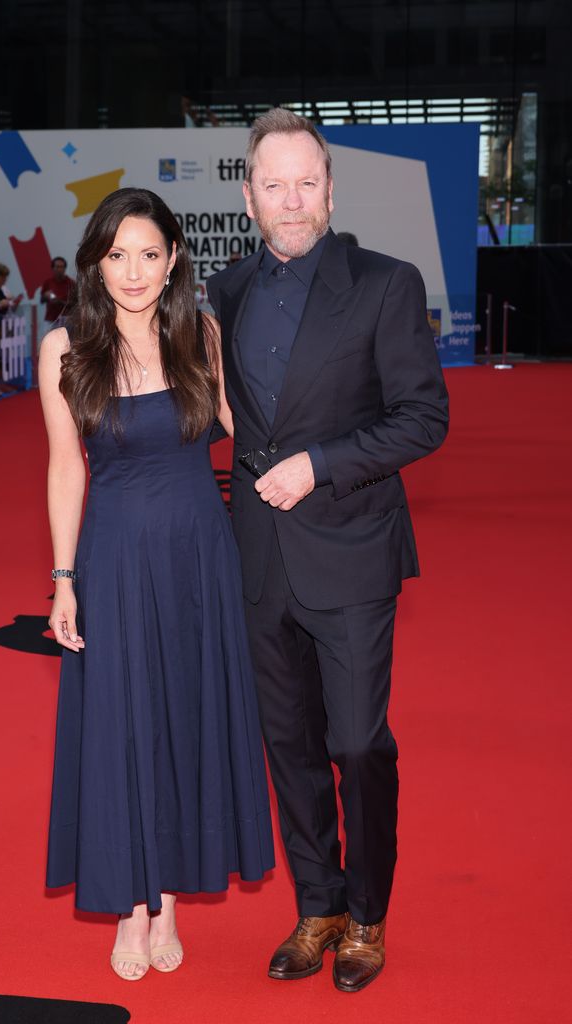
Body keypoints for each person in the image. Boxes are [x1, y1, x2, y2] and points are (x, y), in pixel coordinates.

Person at [206, 108, 449, 994]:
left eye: (307, 181)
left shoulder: (385, 283)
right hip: (260, 557)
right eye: (273, 184)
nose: (291, 199)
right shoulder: (226, 291)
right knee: (290, 745)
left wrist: (322, 464)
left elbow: (424, 418)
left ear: (331, 187)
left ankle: (369, 914)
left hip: (350, 550)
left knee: (355, 744)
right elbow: (235, 415)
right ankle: (318, 907)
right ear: (248, 196)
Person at [39, 188, 274, 983]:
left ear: (175, 258)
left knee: (185, 719)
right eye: (116, 255)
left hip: (199, 560)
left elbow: (250, 431)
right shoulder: (64, 347)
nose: (133, 272)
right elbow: (66, 466)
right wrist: (63, 577)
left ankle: (167, 897)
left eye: (148, 254)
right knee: (123, 725)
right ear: (95, 263)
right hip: (113, 559)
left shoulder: (199, 335)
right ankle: (129, 908)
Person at [41, 257, 75, 323]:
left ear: (65, 269)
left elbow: (75, 304)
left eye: (62, 267)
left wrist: (59, 302)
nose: (59, 269)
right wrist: (45, 296)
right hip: (51, 319)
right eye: (57, 267)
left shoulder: (71, 283)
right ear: (53, 268)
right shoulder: (48, 282)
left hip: (67, 319)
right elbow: (42, 300)